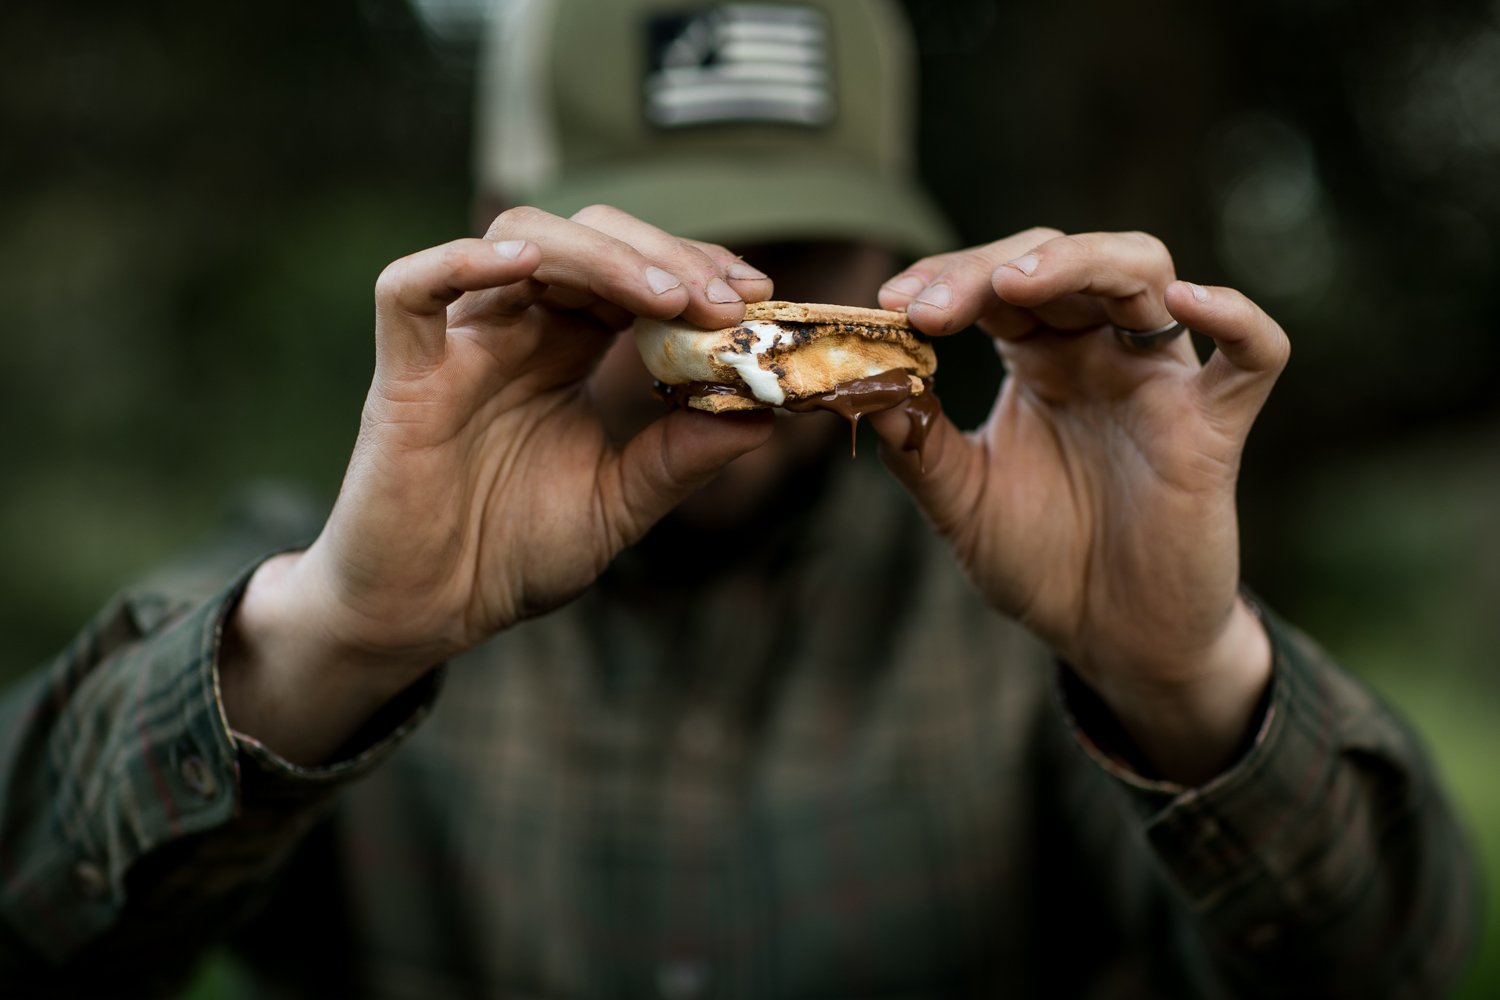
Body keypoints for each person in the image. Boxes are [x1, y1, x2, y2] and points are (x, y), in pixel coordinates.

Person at [0, 1, 1478, 996]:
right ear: (510, 256)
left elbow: (1395, 959)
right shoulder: (321, 587)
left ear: (898, 265)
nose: (745, 329)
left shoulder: (1032, 610)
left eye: (799, 252)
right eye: (668, 257)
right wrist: (337, 639)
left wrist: (1182, 675)